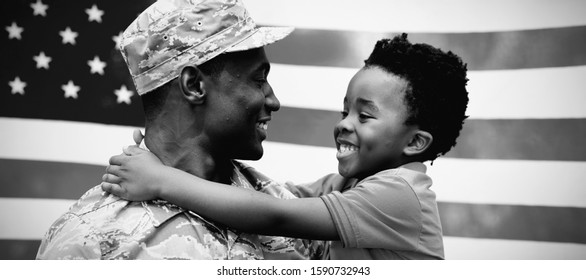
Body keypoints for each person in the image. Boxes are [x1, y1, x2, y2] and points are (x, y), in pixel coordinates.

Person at [101, 33, 470, 259]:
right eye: (345, 110)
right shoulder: (353, 186)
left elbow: (276, 215)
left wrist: (161, 179)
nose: (344, 123)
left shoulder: (401, 196)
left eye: (364, 116)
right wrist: (161, 156)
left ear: (416, 142)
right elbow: (277, 196)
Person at [36, 0, 320, 260]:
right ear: (194, 86)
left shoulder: (292, 216)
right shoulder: (88, 242)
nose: (273, 101)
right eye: (258, 80)